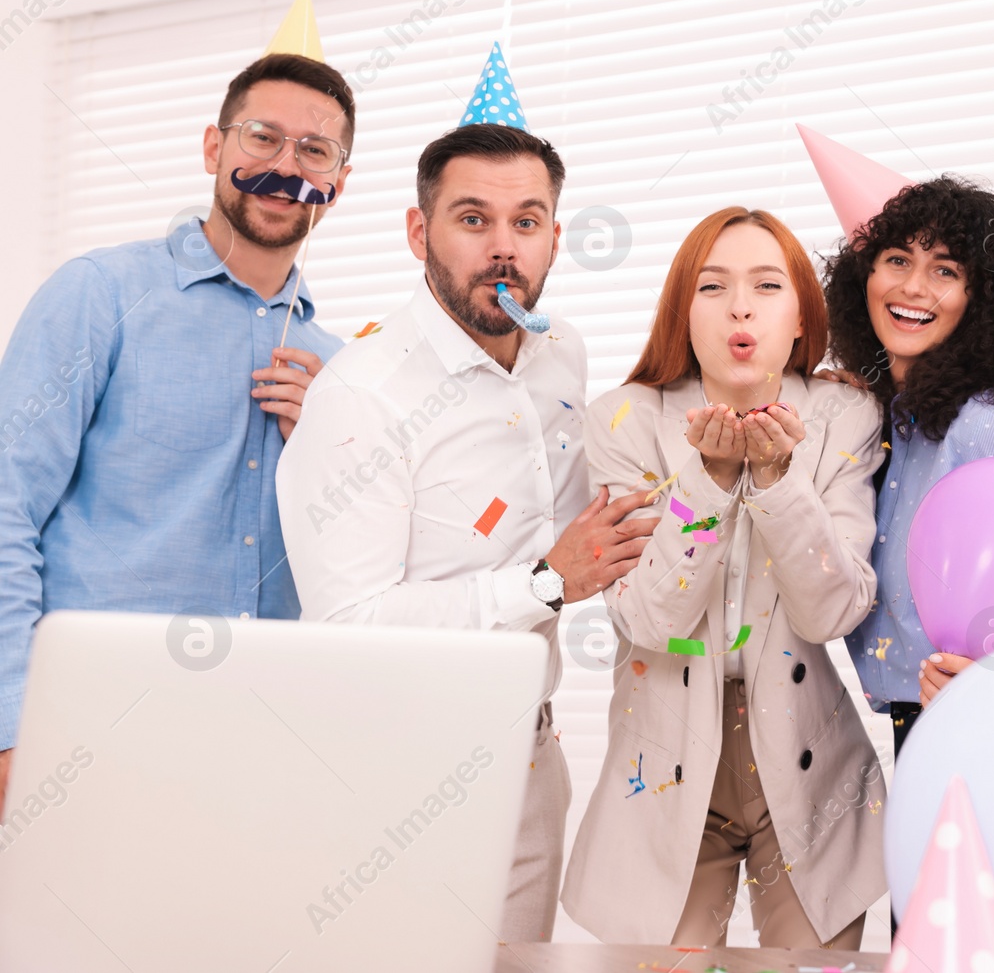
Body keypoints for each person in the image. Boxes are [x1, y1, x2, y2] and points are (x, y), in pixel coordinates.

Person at [276, 122, 658, 941]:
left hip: (531, 759)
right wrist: (548, 584)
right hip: (398, 772)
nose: (502, 249)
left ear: (555, 235)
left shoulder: (563, 354)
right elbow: (348, 628)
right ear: (420, 232)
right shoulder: (363, 392)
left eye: (525, 222)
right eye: (472, 218)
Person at [0, 53, 350, 806]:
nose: (284, 165)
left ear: (337, 184)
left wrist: (333, 445)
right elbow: (6, 506)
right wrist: (9, 721)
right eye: (262, 137)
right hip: (84, 727)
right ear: (213, 148)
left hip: (258, 743)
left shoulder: (343, 375)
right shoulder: (99, 294)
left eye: (314, 151)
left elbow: (358, 575)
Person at [562, 207, 886, 948]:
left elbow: (833, 609)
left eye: (767, 285)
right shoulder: (624, 420)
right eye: (713, 287)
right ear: (685, 309)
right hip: (665, 765)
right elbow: (651, 620)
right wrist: (707, 480)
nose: (741, 306)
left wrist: (776, 479)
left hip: (808, 770)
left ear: (802, 314)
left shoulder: (844, 414)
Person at [824, 175, 994, 755]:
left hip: (991, 729)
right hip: (917, 720)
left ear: (979, 299)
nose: (914, 288)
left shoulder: (985, 429)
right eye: (897, 260)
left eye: (945, 270)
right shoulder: (882, 424)